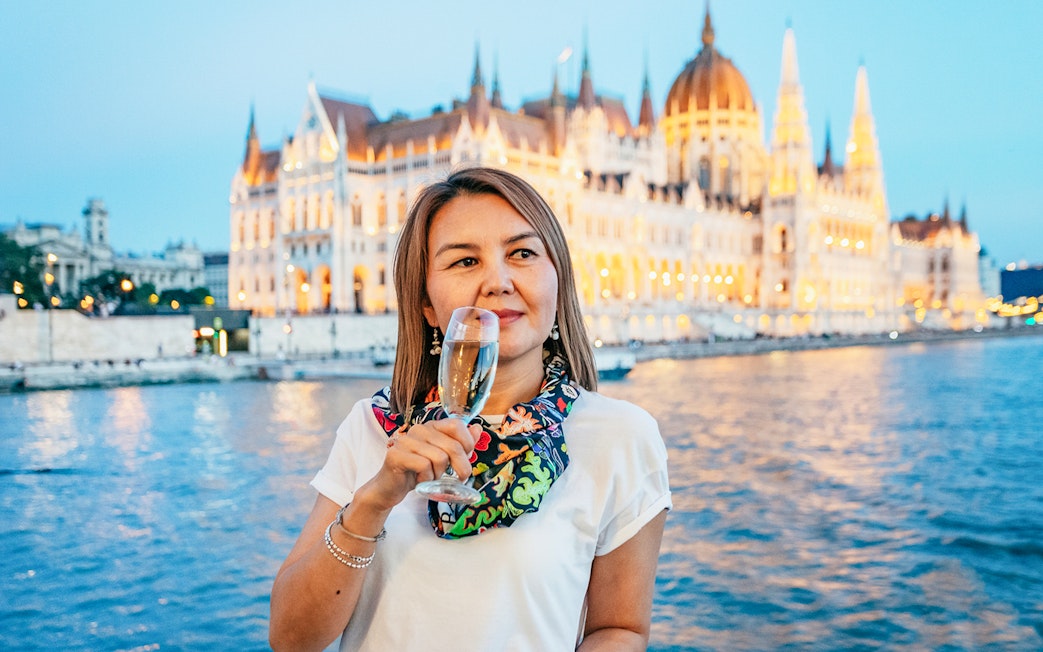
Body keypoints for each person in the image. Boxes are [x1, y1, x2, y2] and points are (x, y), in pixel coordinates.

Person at [270, 167, 671, 651]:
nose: (497, 282)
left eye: (522, 253)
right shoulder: (372, 429)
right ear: (426, 305)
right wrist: (373, 501)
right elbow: (291, 639)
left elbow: (620, 630)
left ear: (557, 278)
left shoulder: (621, 436)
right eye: (464, 261)